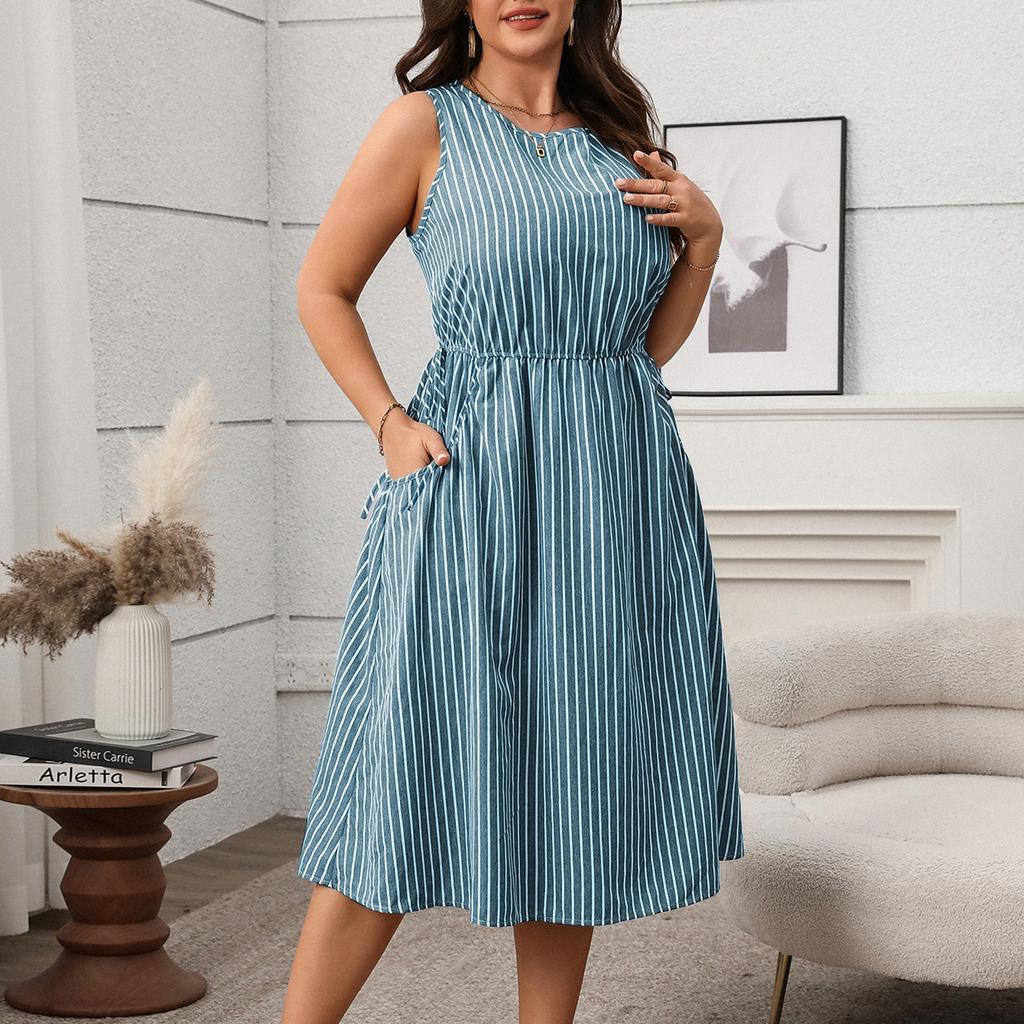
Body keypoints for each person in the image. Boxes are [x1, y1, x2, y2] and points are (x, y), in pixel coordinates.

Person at [282, 2, 744, 1021]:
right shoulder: (422, 125)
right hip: (471, 482)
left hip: (615, 491)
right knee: (399, 772)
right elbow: (323, 287)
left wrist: (704, 246)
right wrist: (387, 422)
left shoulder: (620, 140)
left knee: (569, 773)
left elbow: (635, 351)